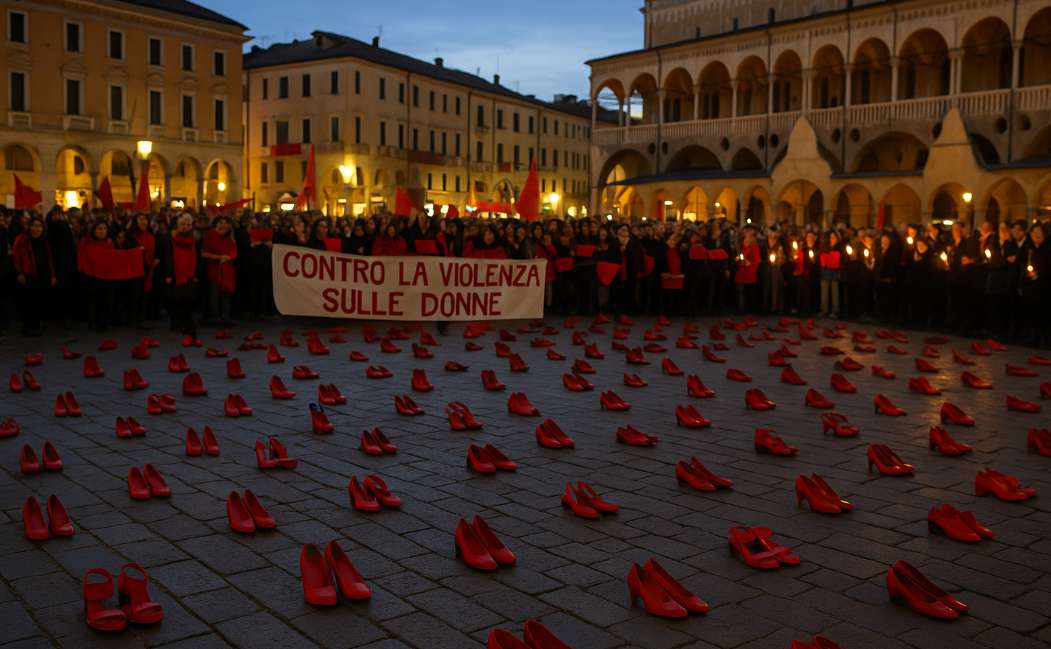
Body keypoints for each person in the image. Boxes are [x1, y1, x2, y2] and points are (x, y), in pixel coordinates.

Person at [12, 216, 55, 336]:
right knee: (27, 302)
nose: (36, 229)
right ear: (29, 227)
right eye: (34, 226)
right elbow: (16, 257)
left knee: (39, 301)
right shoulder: (22, 239)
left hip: (43, 274)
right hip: (28, 274)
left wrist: (52, 275)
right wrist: (19, 272)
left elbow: (49, 259)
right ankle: (27, 327)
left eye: (39, 226)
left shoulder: (44, 241)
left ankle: (37, 325)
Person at [161, 213, 199, 337]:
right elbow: (167, 256)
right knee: (175, 300)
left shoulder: (193, 238)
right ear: (177, 225)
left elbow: (196, 257)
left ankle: (186, 324)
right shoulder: (170, 238)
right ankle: (176, 323)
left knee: (187, 300)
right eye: (182, 224)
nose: (185, 227)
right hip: (175, 273)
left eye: (188, 224)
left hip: (189, 274)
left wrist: (195, 273)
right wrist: (168, 273)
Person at [201, 216, 238, 325]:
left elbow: (234, 252)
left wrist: (228, 257)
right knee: (214, 293)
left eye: (225, 223)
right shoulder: (209, 236)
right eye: (221, 223)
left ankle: (225, 316)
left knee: (226, 294)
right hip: (214, 270)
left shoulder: (229, 238)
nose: (223, 225)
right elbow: (203, 253)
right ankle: (215, 316)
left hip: (227, 270)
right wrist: (218, 257)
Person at [819, 230, 842, 319]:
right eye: (831, 237)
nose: (832, 239)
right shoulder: (825, 247)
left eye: (834, 237)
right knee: (824, 293)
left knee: (834, 293)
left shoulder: (839, 248)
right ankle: (824, 310)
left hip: (835, 273)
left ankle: (835, 311)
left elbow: (841, 261)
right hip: (825, 272)